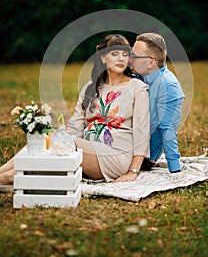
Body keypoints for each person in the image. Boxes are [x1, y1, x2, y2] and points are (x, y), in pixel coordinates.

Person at [0, 34, 150, 191]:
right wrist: (59, 138)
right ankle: (3, 173)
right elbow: (76, 126)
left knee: (61, 142)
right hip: (88, 150)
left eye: (125, 54)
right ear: (103, 57)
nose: (121, 59)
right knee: (45, 139)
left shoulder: (137, 87)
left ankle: (10, 178)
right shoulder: (90, 88)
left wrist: (133, 170)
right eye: (115, 53)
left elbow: (142, 130)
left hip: (117, 155)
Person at [131, 33, 185, 173]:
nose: (129, 59)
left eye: (135, 56)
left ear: (151, 62)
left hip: (140, 157)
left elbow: (168, 131)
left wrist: (175, 170)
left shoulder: (168, 86)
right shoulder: (138, 75)